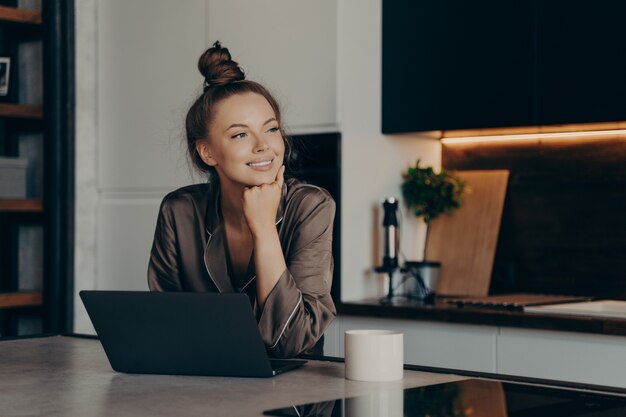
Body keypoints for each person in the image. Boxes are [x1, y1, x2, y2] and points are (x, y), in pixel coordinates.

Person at [147, 41, 336, 358]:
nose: (264, 146)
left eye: (271, 129)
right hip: (202, 391)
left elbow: (293, 341)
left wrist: (264, 228)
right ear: (206, 152)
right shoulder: (179, 211)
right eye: (240, 134)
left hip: (293, 397)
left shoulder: (310, 206)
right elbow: (168, 325)